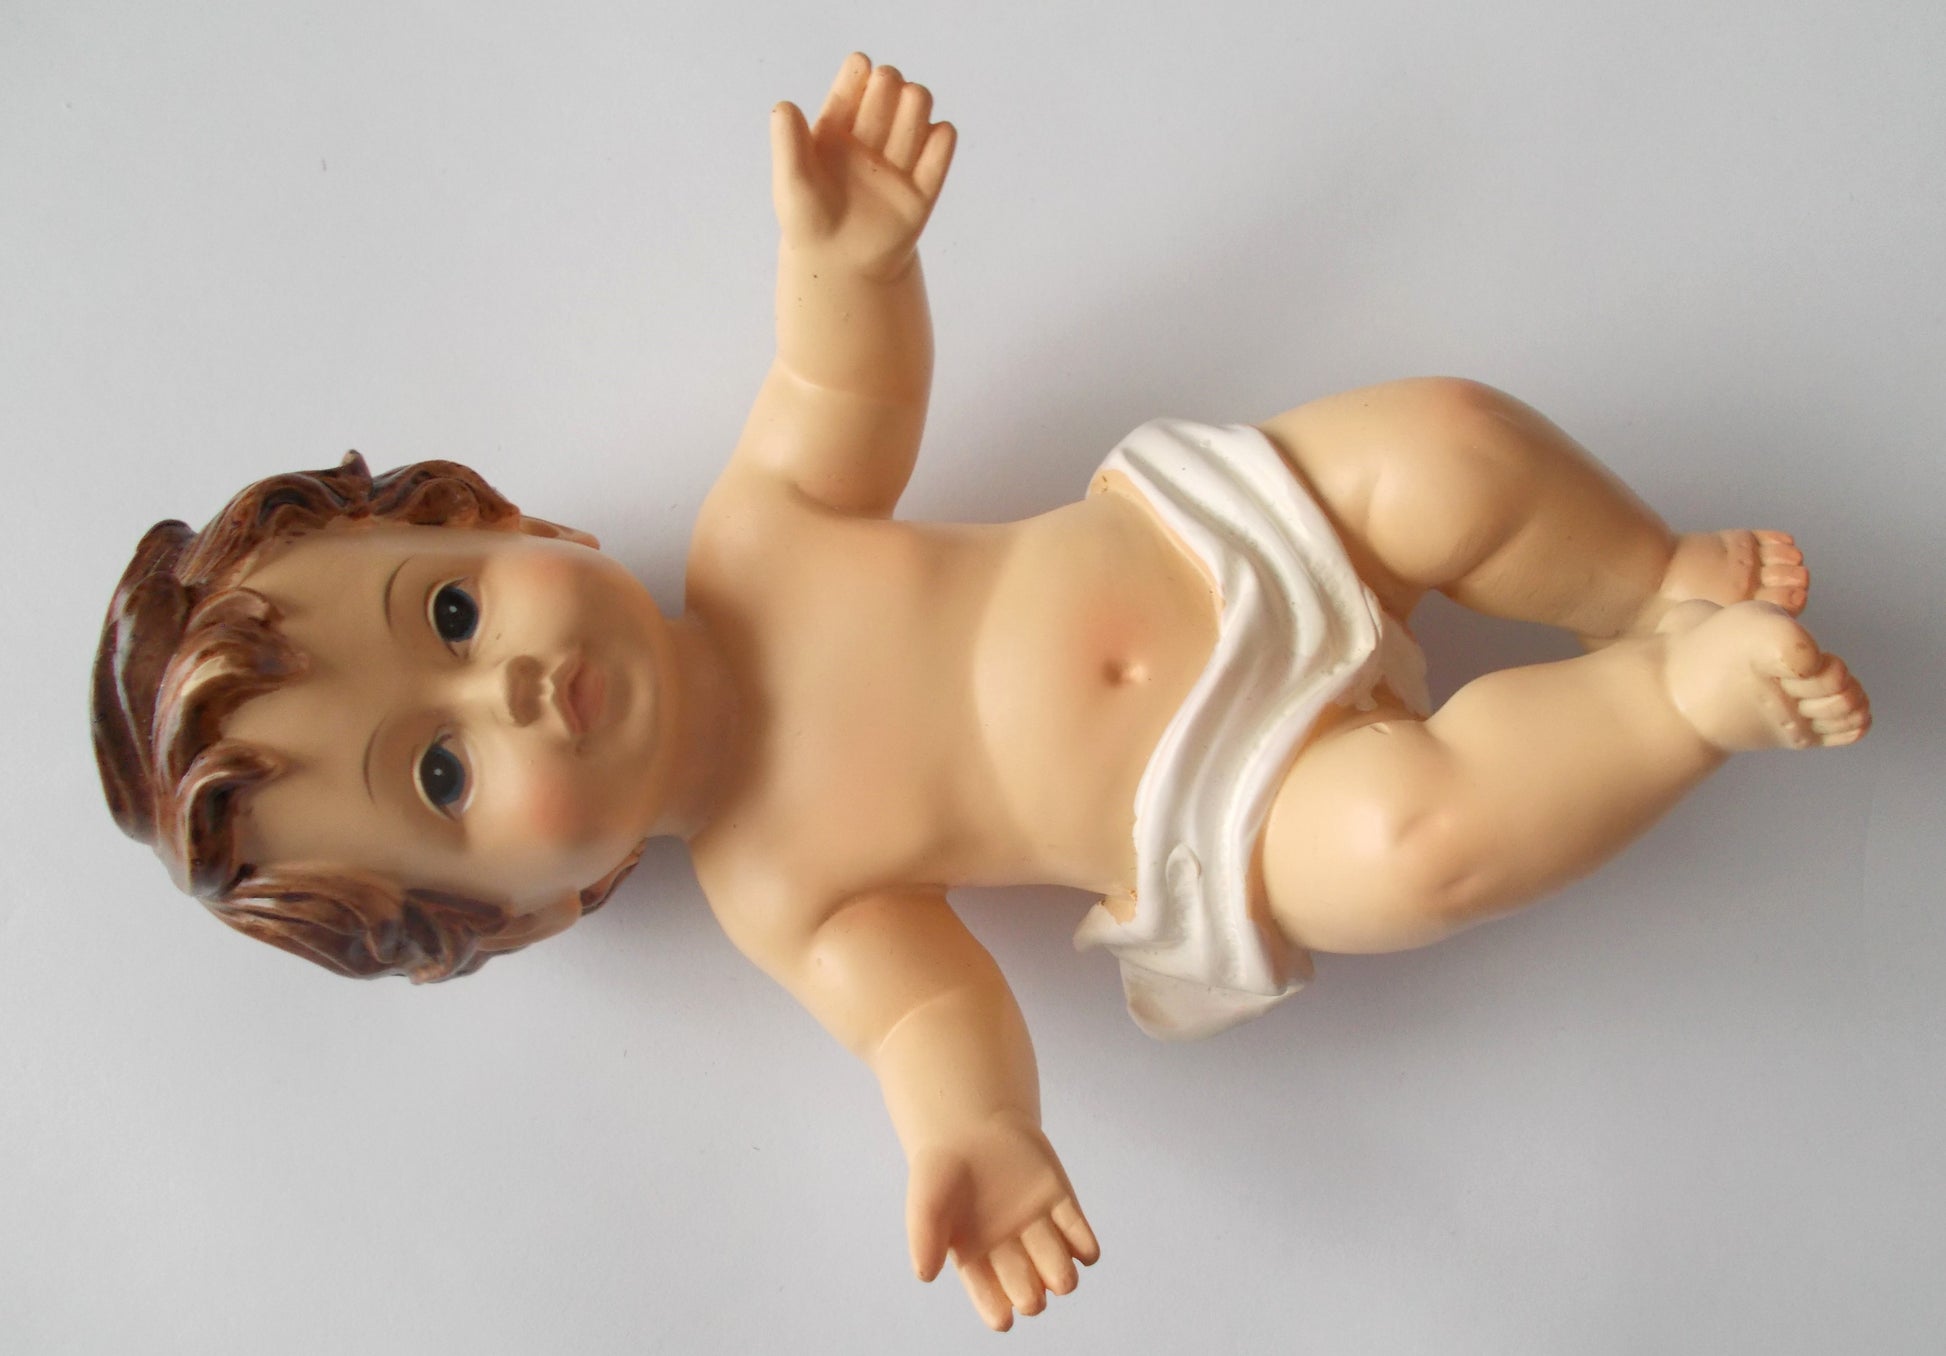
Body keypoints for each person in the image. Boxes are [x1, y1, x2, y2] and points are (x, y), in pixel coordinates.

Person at [90, 53, 1870, 1332]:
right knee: (1415, 850)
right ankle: (1679, 705)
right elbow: (925, 1011)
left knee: (1445, 445)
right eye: (444, 776)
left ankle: (1650, 575)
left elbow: (840, 393)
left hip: (1219, 542)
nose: (518, 687)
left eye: (454, 611)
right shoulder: (783, 884)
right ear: (535, 909)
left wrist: (847, 267)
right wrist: (975, 1128)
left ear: (505, 526)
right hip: (1220, 810)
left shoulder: (756, 538)